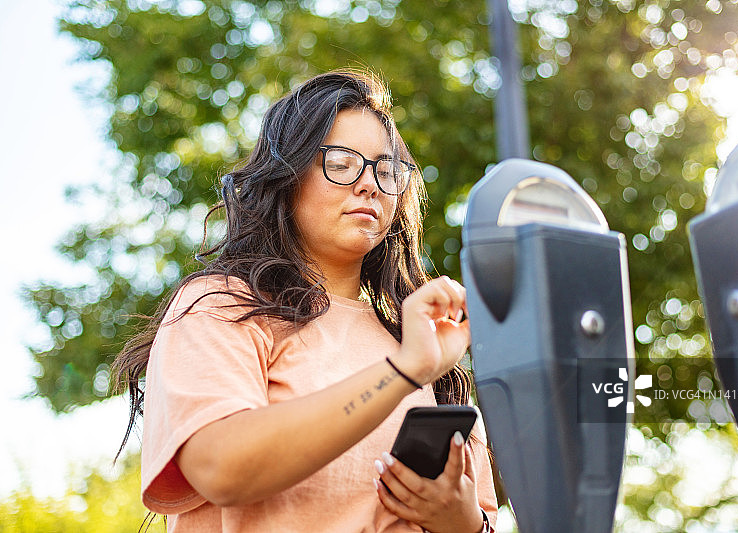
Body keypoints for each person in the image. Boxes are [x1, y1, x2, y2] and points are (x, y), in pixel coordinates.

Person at [113, 69, 498, 532]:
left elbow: (484, 519)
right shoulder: (220, 305)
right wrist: (402, 373)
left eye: (386, 168)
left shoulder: (419, 338)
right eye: (341, 162)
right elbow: (219, 466)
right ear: (287, 175)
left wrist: (465, 522)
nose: (369, 184)